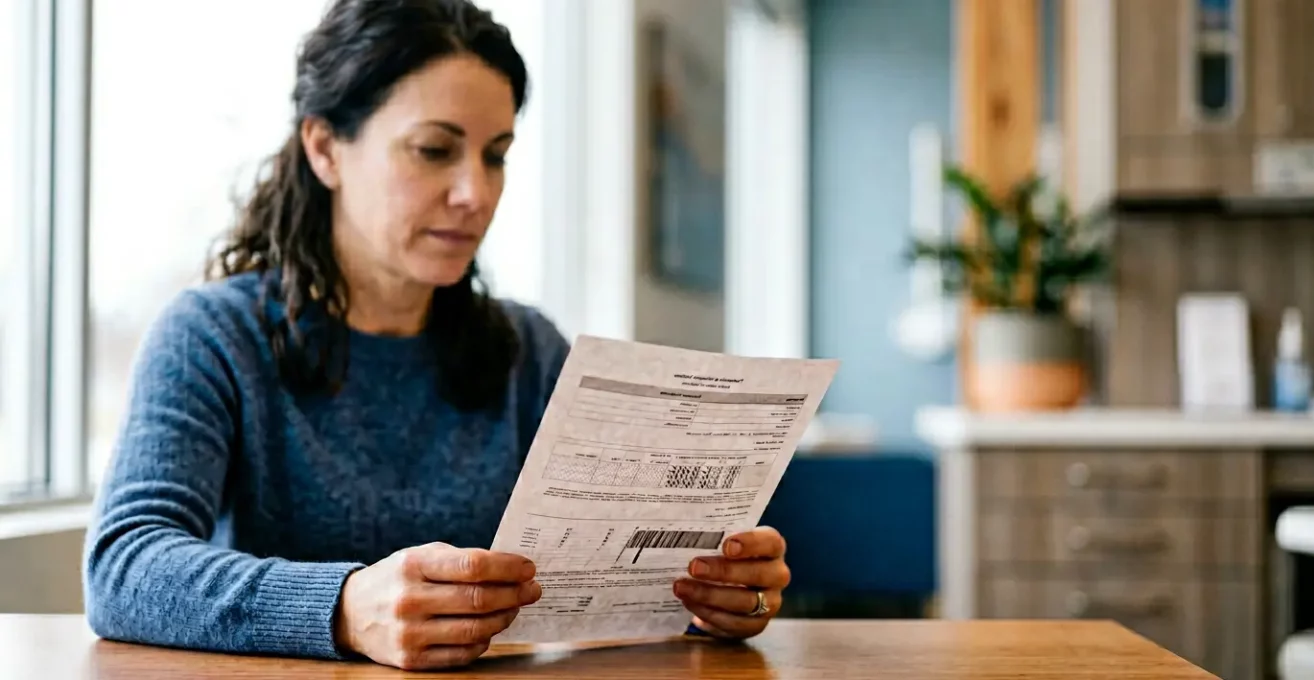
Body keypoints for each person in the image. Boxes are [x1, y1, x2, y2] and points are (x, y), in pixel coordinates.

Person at [81, 0, 792, 671]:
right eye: (433, 150)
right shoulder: (213, 337)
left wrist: (709, 595)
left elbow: (628, 569)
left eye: (496, 155)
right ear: (325, 148)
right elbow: (124, 564)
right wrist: (344, 608)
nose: (475, 193)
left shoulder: (529, 351)